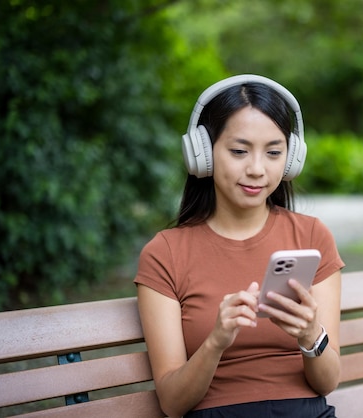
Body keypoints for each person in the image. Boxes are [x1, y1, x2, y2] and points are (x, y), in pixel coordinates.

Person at [134, 74, 345, 418]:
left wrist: (310, 336)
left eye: (274, 152)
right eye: (238, 151)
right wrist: (216, 341)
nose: (257, 169)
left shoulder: (311, 237)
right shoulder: (165, 254)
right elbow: (172, 403)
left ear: (291, 160)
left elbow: (327, 382)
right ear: (202, 153)